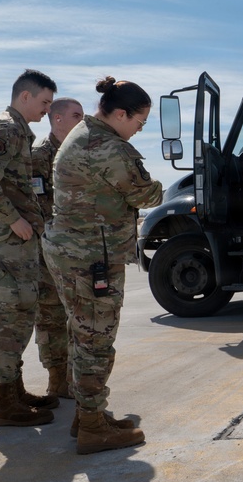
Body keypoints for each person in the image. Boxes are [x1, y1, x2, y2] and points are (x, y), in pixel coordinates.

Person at [42, 76, 163, 455]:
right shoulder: (107, 146)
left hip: (75, 251)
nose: (139, 131)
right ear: (121, 114)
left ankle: (87, 414)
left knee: (84, 336)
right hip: (91, 256)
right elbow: (146, 191)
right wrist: (158, 186)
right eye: (139, 123)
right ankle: (94, 427)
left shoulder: (81, 134)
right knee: (96, 341)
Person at [0, 69, 58, 427]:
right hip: (9, 238)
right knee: (11, 315)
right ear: (25, 97)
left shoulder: (18, 129)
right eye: (45, 102)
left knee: (21, 312)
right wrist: (12, 219)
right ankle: (3, 401)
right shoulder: (5, 128)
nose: (47, 110)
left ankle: (13, 389)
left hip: (18, 239)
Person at [30, 97, 84, 399]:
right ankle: (56, 378)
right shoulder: (39, 156)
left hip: (79, 250)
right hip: (48, 251)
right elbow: (34, 205)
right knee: (50, 317)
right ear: (57, 118)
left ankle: (76, 377)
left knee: (80, 317)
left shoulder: (81, 154)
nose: (82, 121)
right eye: (77, 115)